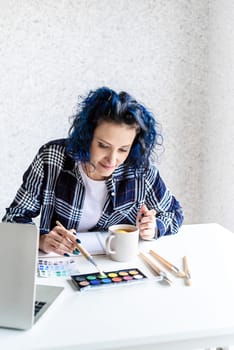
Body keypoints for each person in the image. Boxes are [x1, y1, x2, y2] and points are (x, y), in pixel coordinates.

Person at [2, 86, 184, 256]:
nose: (112, 160)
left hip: (116, 266)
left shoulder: (140, 170)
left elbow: (174, 213)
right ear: (87, 136)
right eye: (103, 146)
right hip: (62, 264)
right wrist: (41, 241)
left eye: (123, 149)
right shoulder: (52, 158)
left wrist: (154, 228)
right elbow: (13, 218)